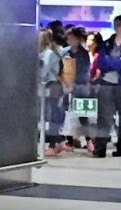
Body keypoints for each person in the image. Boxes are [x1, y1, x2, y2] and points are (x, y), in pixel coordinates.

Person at [94, 15, 121, 158]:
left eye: (119, 24)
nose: (116, 27)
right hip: (107, 82)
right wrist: (116, 61)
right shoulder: (107, 43)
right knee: (103, 116)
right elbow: (101, 62)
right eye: (115, 24)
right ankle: (100, 148)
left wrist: (111, 61)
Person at [39, 29, 72, 157]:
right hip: (53, 86)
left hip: (52, 87)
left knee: (51, 115)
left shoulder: (48, 54)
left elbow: (43, 72)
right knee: (51, 115)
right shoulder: (53, 52)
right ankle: (57, 141)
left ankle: (55, 142)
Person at [66, 27, 93, 151]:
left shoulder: (83, 53)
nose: (69, 40)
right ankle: (70, 141)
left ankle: (89, 140)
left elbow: (84, 70)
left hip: (80, 87)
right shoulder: (66, 52)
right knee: (69, 116)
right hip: (69, 87)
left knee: (83, 115)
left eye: (71, 38)